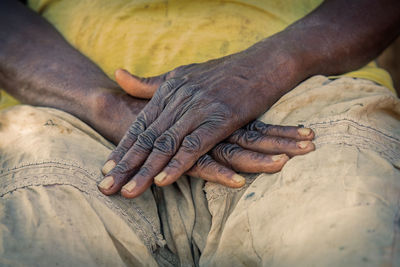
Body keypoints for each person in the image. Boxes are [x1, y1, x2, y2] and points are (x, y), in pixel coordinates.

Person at [0, 0, 399, 266]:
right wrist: (111, 105)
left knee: (353, 229)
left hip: (306, 97)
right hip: (67, 116)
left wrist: (268, 67)